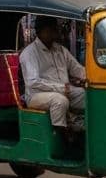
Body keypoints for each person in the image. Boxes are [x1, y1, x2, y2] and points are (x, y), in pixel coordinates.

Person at [19, 16, 86, 145]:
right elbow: (33, 82)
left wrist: (93, 77)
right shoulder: (30, 53)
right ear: (40, 31)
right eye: (50, 30)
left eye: (55, 29)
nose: (55, 32)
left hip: (64, 90)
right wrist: (60, 88)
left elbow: (77, 69)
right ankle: (62, 137)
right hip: (36, 95)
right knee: (59, 101)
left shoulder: (60, 50)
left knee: (86, 95)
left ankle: (82, 131)